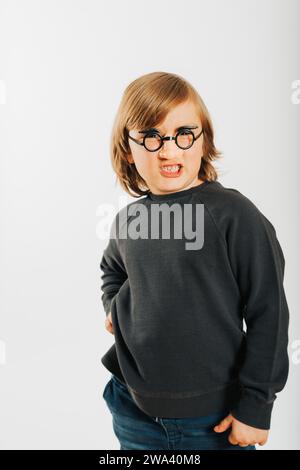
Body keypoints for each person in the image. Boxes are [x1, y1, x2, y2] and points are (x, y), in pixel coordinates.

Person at [100, 71, 289, 450]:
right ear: (127, 150)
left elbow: (270, 312)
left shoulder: (233, 215)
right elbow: (113, 271)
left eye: (183, 134)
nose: (169, 150)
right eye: (150, 137)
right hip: (132, 407)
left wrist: (256, 406)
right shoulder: (130, 219)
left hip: (212, 420)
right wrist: (115, 310)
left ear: (204, 141)